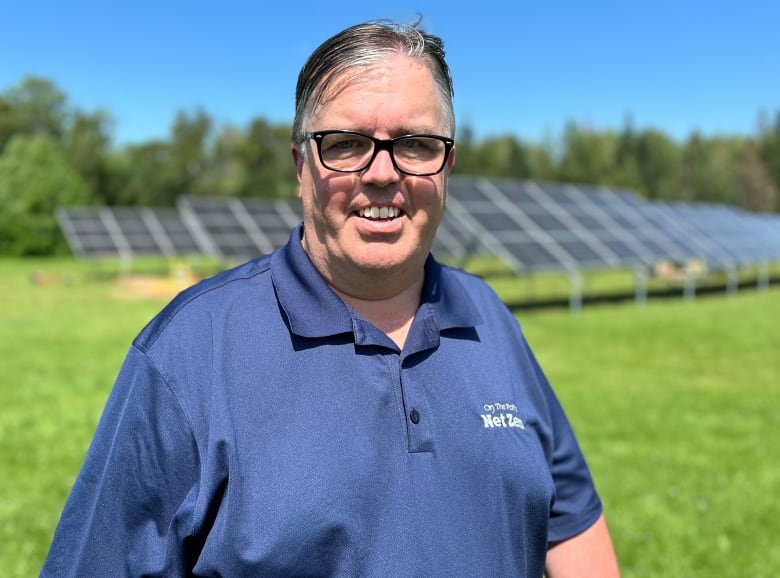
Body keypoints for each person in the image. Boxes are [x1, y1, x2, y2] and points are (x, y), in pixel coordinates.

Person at [42, 19, 620, 577]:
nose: (382, 174)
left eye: (416, 144)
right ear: (301, 167)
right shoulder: (189, 354)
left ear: (447, 165)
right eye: (346, 144)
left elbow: (568, 520)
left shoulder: (488, 316)